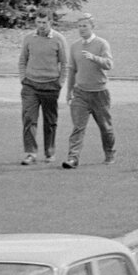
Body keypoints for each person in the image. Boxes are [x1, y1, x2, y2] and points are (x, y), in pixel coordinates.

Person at [63, 14, 117, 168]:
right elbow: (72, 70)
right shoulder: (74, 46)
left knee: (105, 127)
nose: (81, 29)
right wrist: (69, 92)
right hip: (81, 93)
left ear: (92, 27)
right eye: (79, 26)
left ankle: (110, 153)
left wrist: (94, 58)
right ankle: (72, 158)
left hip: (99, 93)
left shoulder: (101, 44)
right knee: (78, 127)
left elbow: (109, 64)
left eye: (84, 26)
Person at [17, 12, 71, 165]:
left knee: (50, 121)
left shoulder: (58, 39)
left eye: (44, 23)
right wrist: (23, 78)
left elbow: (64, 63)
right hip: (30, 85)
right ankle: (30, 153)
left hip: (50, 85)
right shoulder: (29, 38)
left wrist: (60, 82)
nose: (41, 26)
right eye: (38, 22)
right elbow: (22, 60)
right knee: (29, 119)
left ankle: (49, 152)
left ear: (50, 22)